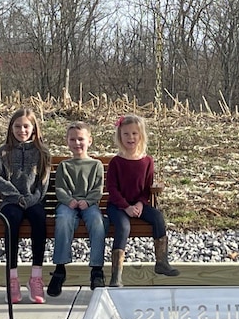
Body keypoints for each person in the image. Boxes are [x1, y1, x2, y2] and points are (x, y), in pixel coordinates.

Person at [106, 114, 179, 286]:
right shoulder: (116, 162)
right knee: (124, 226)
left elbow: (146, 189)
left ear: (141, 136)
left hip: (138, 204)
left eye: (134, 134)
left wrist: (139, 204)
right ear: (120, 136)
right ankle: (116, 275)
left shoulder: (147, 161)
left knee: (158, 218)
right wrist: (126, 207)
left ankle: (161, 262)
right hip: (118, 206)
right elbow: (112, 189)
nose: (130, 138)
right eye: (126, 134)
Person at [0, 107, 51, 304]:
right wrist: (16, 197)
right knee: (12, 221)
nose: (22, 130)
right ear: (11, 128)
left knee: (39, 219)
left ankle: (36, 277)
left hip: (33, 200)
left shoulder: (42, 152)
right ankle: (12, 277)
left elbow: (43, 181)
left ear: (34, 128)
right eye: (18, 126)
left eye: (26, 126)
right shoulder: (3, 152)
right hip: (11, 201)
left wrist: (32, 199)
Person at [48, 121, 108, 295]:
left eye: (80, 139)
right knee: (63, 220)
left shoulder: (96, 165)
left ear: (90, 140)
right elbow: (60, 188)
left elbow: (98, 188)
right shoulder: (64, 166)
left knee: (98, 222)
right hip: (68, 205)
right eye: (72, 139)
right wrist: (69, 200)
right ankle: (60, 268)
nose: (77, 143)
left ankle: (97, 269)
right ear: (67, 141)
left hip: (89, 205)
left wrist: (88, 201)